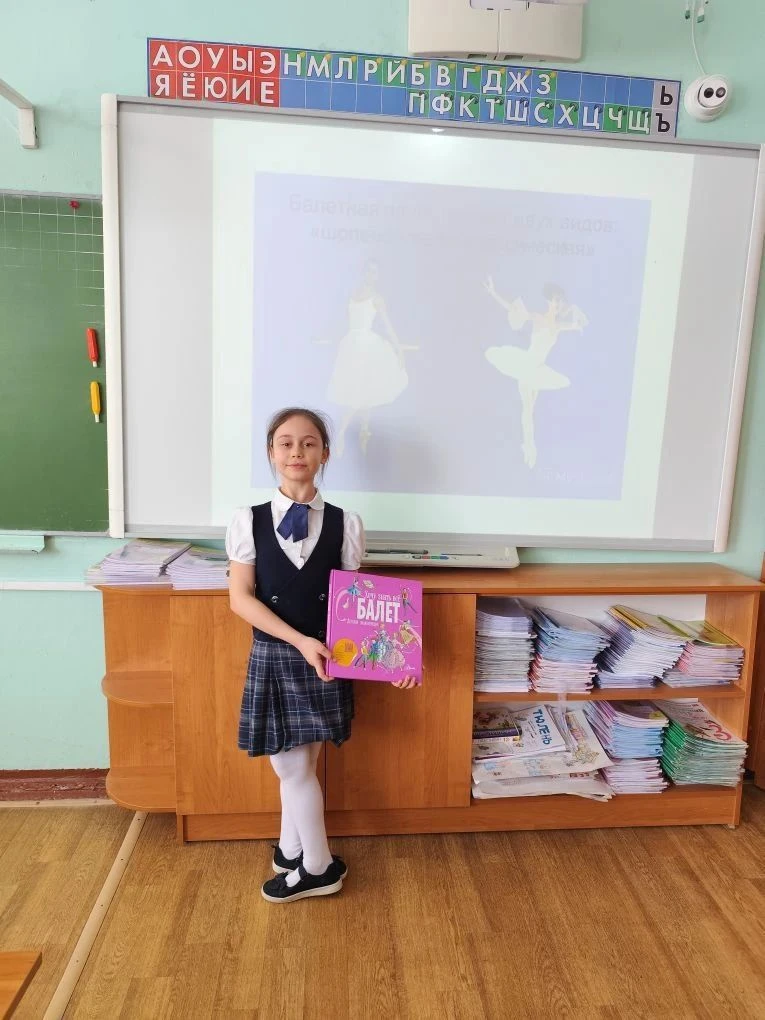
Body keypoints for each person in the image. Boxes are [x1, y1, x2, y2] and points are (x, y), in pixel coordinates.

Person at [226, 406, 417, 903]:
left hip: (327, 657)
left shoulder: (345, 523)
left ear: (325, 454)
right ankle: (296, 852)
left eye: (309, 443)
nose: (297, 452)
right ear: (271, 453)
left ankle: (316, 867)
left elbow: (358, 607)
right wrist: (300, 641)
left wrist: (394, 662)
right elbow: (240, 599)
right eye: (286, 443)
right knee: (293, 769)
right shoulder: (247, 521)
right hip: (279, 655)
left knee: (298, 766)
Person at [483, 278, 588, 469]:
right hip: (526, 365)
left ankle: (528, 447)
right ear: (549, 301)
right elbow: (512, 309)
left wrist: (574, 309)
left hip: (539, 369)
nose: (558, 304)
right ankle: (530, 448)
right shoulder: (538, 318)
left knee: (530, 410)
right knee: (527, 408)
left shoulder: (558, 326)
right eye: (556, 300)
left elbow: (582, 323)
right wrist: (493, 293)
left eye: (560, 301)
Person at [324, 261, 413, 457]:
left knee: (365, 392)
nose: (373, 276)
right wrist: (398, 349)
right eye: (370, 271)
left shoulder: (366, 297)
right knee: (359, 393)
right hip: (358, 345)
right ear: (365, 273)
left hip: (358, 344)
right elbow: (383, 326)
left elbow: (383, 325)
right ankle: (341, 432)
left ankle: (362, 437)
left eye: (375, 272)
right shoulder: (363, 296)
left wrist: (398, 349)